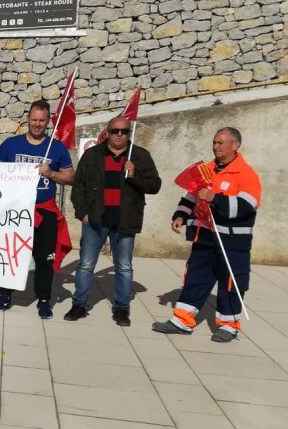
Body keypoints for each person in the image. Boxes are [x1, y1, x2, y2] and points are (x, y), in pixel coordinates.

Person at [153, 127, 261, 342]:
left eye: (221, 143)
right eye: (214, 142)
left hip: (231, 242)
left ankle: (228, 326)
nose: (216, 147)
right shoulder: (205, 170)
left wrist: (215, 199)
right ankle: (182, 321)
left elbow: (248, 205)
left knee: (230, 283)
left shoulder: (246, 173)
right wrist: (180, 216)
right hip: (203, 237)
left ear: (235, 145)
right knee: (195, 278)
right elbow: (190, 197)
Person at [67, 115, 162, 326]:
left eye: (124, 131)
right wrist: (82, 212)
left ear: (129, 133)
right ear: (107, 132)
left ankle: (121, 308)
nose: (119, 135)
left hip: (125, 220)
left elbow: (155, 185)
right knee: (85, 265)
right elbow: (78, 186)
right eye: (115, 131)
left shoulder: (139, 155)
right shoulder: (92, 155)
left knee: (124, 267)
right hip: (95, 220)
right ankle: (79, 304)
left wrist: (134, 174)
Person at [0, 99, 74, 318]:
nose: (37, 124)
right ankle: (4, 295)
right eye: (33, 120)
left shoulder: (56, 147)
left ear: (48, 122)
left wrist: (51, 174)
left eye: (42, 121)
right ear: (28, 119)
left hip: (44, 210)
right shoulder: (11, 144)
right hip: (15, 211)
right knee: (10, 254)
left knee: (44, 258)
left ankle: (44, 299)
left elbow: (71, 176)